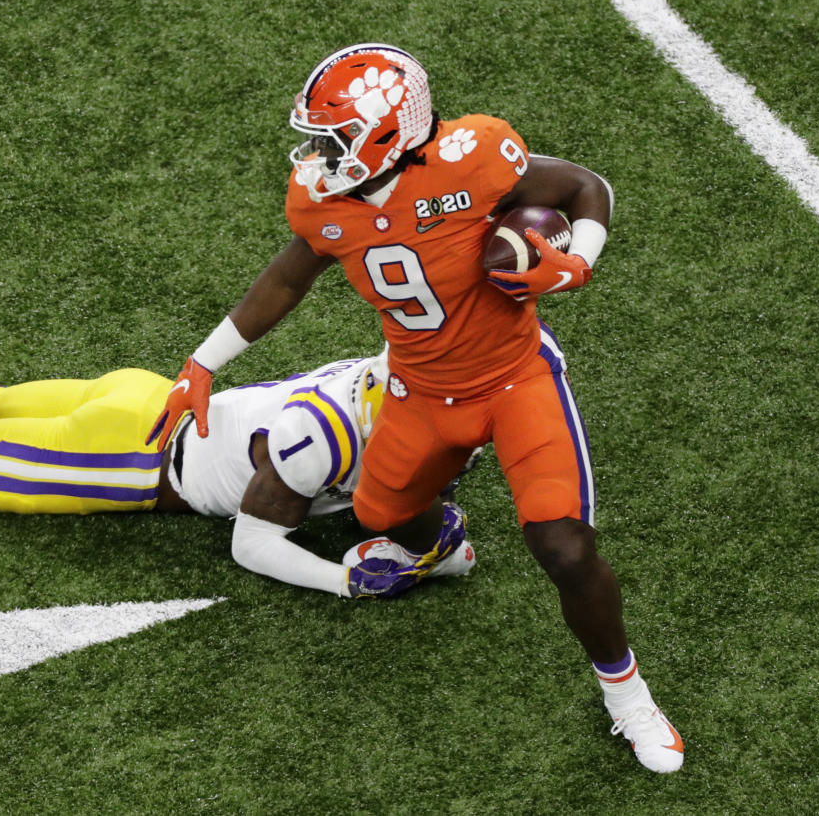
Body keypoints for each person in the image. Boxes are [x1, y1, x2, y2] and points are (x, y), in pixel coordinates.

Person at [146, 44, 682, 772]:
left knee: (562, 546)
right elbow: (287, 277)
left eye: (331, 138)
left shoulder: (471, 159)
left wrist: (577, 262)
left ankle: (629, 698)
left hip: (515, 380)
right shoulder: (325, 202)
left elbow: (585, 187)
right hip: (418, 390)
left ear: (383, 132)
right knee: (380, 513)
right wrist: (202, 362)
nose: (315, 154)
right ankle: (443, 541)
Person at [0, 179, 476, 601]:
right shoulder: (319, 442)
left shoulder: (376, 387)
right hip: (136, 458)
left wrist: (436, 547)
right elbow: (254, 544)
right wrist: (340, 581)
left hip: (148, 396)